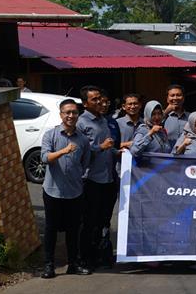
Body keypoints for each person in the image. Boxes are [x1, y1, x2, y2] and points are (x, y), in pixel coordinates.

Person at [40, 98, 91, 279]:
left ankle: (73, 264)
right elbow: (45, 158)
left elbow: (85, 164)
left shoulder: (83, 140)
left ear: (78, 115)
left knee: (73, 230)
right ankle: (49, 265)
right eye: (67, 112)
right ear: (61, 114)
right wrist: (63, 151)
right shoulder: (51, 135)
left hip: (75, 192)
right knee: (51, 229)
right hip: (53, 191)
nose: (71, 115)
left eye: (74, 112)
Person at [76, 85, 118, 271]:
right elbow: (79, 152)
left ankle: (101, 255)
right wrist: (100, 147)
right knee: (89, 222)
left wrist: (118, 152)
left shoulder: (104, 120)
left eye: (100, 98)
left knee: (104, 220)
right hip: (91, 180)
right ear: (85, 103)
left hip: (108, 178)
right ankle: (85, 258)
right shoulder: (81, 123)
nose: (100, 101)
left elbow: (108, 148)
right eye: (94, 99)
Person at [162, 84, 188, 150]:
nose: (175, 98)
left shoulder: (191, 117)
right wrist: (166, 112)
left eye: (178, 95)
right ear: (167, 99)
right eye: (172, 95)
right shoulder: (160, 116)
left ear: (183, 98)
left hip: (187, 157)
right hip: (166, 157)